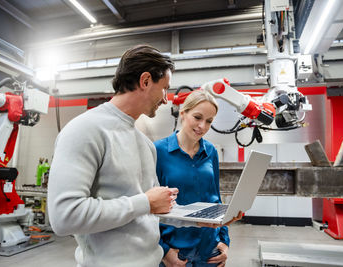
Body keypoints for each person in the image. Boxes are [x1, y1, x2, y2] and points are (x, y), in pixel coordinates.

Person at [47, 45, 179, 267]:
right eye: (164, 88)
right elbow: (65, 217)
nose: (166, 99)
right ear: (145, 81)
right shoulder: (85, 130)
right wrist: (145, 202)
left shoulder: (146, 143)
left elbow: (149, 211)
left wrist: (201, 221)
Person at [155, 90, 232, 267]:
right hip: (175, 252)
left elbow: (216, 198)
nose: (202, 126)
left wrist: (224, 241)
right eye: (197, 117)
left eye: (209, 121)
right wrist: (164, 251)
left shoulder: (210, 151)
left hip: (209, 250)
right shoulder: (158, 150)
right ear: (183, 113)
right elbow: (149, 208)